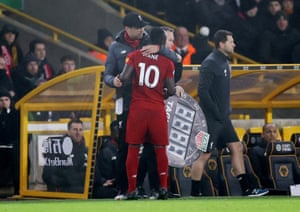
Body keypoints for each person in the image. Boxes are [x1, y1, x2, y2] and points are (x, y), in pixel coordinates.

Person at [103, 11, 180, 200]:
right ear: (127, 29)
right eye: (139, 27)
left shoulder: (140, 51)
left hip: (138, 104)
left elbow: (174, 56)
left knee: (138, 148)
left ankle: (139, 189)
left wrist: (160, 49)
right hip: (141, 104)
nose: (142, 29)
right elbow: (108, 75)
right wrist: (114, 81)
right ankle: (142, 188)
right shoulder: (116, 47)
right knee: (138, 146)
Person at [190, 29, 269, 197]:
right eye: (231, 41)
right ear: (221, 44)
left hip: (223, 119)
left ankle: (247, 189)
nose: (234, 44)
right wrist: (216, 113)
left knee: (237, 147)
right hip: (210, 119)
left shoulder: (224, 62)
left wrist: (224, 113)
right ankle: (194, 192)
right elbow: (202, 92)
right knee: (204, 154)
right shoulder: (210, 62)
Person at [42, 119, 87, 193]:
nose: (78, 133)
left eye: (80, 130)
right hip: (65, 188)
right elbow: (48, 175)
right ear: (68, 132)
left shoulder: (86, 150)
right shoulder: (57, 149)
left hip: (83, 186)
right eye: (75, 130)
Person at [0, 89, 20, 195]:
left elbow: (16, 130)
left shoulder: (16, 114)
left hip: (13, 145)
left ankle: (17, 189)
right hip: (1, 145)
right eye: (1, 100)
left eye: (6, 99)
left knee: (16, 164)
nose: (4, 102)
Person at [92, 120, 119, 198]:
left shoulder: (124, 148)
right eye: (117, 131)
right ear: (112, 132)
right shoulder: (106, 151)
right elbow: (107, 174)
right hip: (110, 184)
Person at [248, 123, 279, 188]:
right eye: (269, 132)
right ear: (262, 135)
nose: (272, 134)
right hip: (267, 185)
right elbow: (257, 174)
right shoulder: (255, 151)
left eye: (274, 132)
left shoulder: (282, 150)